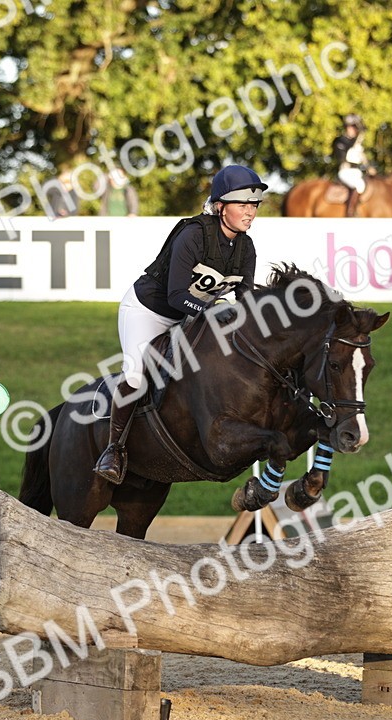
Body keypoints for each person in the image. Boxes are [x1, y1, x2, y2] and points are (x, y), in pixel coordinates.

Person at [93, 164, 266, 484]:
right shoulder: (192, 235)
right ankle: (114, 450)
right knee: (135, 373)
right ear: (220, 206)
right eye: (242, 203)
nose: (250, 211)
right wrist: (214, 307)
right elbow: (175, 295)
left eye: (253, 204)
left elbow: (245, 300)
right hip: (148, 311)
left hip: (189, 315)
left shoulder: (246, 247)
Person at [331, 114, 376, 217]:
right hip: (345, 172)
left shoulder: (357, 144)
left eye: (355, 128)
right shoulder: (340, 141)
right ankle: (350, 212)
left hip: (357, 172)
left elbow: (362, 158)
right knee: (358, 185)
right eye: (352, 127)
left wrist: (369, 168)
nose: (354, 130)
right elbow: (342, 155)